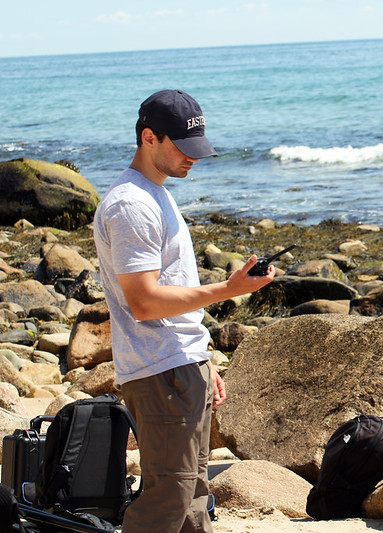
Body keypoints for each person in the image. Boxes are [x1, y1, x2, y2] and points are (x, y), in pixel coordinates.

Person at [93, 89, 275, 533]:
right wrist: (227, 290)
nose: (193, 157)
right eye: (183, 147)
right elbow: (144, 301)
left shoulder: (155, 192)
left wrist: (202, 359)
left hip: (180, 364)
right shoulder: (130, 205)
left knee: (193, 493)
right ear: (148, 138)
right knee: (168, 497)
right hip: (159, 370)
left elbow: (171, 294)